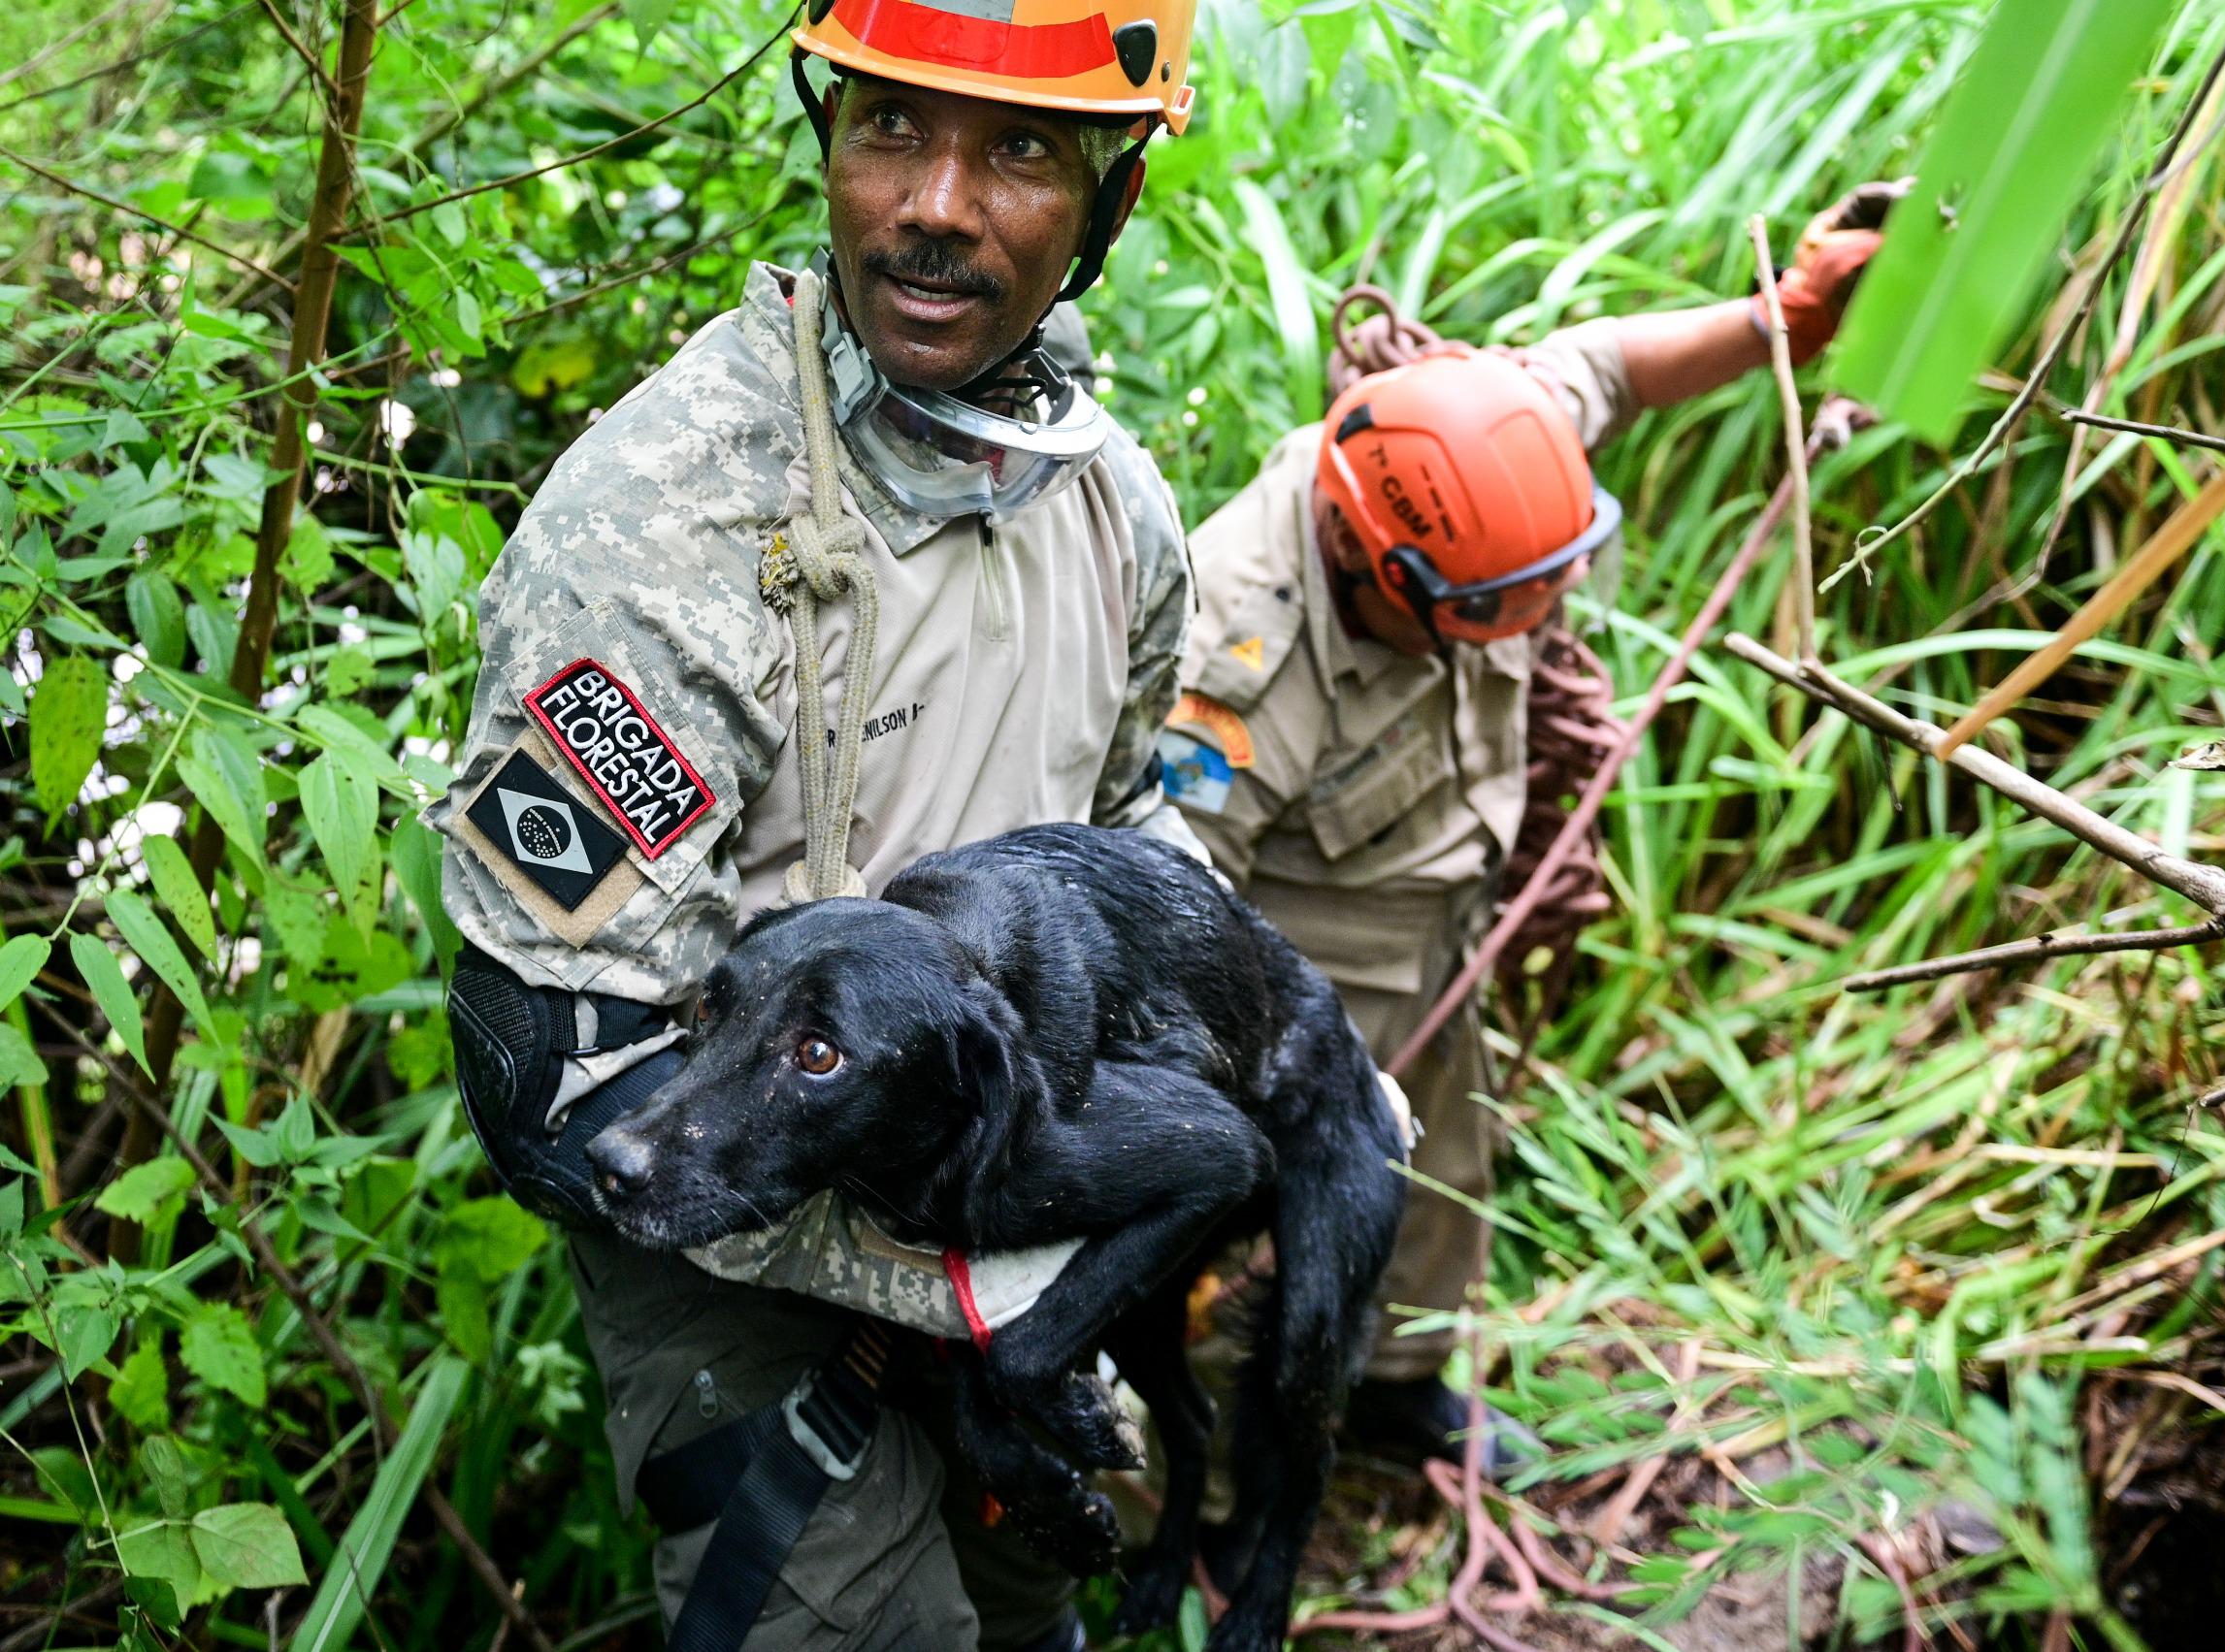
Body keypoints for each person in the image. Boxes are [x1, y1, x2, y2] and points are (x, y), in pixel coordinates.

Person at [427, 1, 1205, 1645]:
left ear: (1111, 200)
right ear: (826, 138)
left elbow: (1134, 838)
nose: (934, 202)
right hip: (729, 1242)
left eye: (1018, 151)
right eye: (889, 128)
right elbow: (544, 1063)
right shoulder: (678, 520)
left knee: (1039, 1610)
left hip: (1001, 1198)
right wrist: (961, 1280)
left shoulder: (1113, 507)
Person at [1158, 190, 1893, 1474]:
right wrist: (1279, 1072)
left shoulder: (1480, 436)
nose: (1524, 631)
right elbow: (1180, 884)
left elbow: (1608, 365)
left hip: (1448, 912)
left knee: (1447, 1169)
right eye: (1488, 613)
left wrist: (1788, 316)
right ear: (1380, 571)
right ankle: (1183, 1471)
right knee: (1238, 1222)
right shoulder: (1241, 648)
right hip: (1306, 971)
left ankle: (1400, 1384)